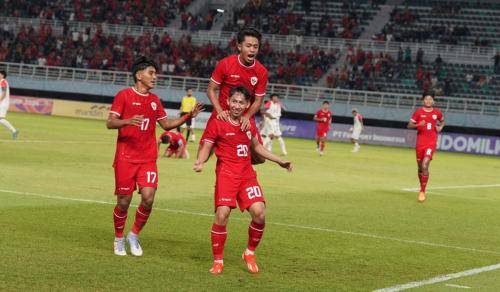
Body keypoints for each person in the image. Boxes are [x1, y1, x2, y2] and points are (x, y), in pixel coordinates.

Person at [107, 56, 203, 256]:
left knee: (148, 198)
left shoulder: (154, 100)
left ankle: (133, 235)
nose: (155, 77)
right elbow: (110, 122)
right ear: (138, 75)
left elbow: (166, 125)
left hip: (147, 158)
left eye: (155, 73)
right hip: (125, 157)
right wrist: (127, 121)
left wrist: (188, 116)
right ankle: (118, 238)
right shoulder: (123, 96)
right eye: (151, 73)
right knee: (123, 202)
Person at [194, 86, 292, 275]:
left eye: (241, 103)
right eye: (234, 101)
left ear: (247, 105)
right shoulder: (218, 122)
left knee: (259, 213)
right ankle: (218, 261)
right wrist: (200, 160)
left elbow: (257, 148)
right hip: (226, 176)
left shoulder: (248, 124)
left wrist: (280, 160)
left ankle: (249, 252)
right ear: (228, 102)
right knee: (222, 215)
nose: (237, 106)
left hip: (247, 175)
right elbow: (207, 144)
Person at [206, 27, 268, 164]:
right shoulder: (225, 64)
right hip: (222, 113)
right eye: (248, 46)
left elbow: (258, 100)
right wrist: (220, 111)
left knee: (260, 158)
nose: (252, 50)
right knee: (204, 155)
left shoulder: (261, 71)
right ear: (239, 46)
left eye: (255, 47)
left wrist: (246, 116)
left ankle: (234, 158)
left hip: (245, 116)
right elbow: (211, 89)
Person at [407, 93, 445, 203]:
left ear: (433, 101)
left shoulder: (437, 112)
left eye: (430, 99)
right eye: (426, 99)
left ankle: (422, 191)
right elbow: (409, 125)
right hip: (420, 143)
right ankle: (421, 186)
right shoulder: (418, 112)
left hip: (431, 143)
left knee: (425, 165)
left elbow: (442, 121)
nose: (428, 101)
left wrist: (440, 127)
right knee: (420, 168)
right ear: (423, 101)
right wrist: (418, 125)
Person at [0, 70, 18, 139]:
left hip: (3, 103)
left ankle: (14, 130)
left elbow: (4, 94)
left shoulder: (3, 81)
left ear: (2, 75)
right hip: (2, 102)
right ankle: (14, 130)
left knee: (0, 119)